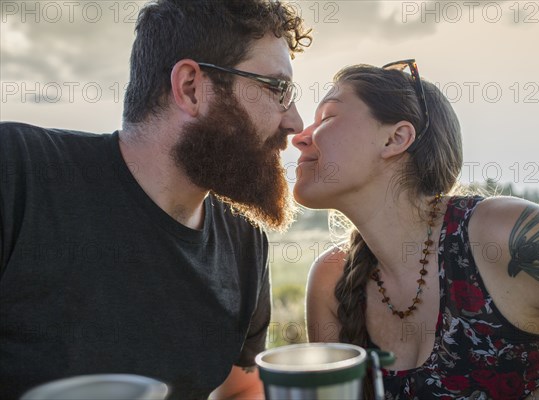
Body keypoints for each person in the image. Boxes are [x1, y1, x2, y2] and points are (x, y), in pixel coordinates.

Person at [0, 1, 311, 399]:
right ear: (190, 88)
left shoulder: (244, 240)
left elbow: (240, 390)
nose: (296, 122)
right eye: (277, 89)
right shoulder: (20, 174)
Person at [293, 61, 539, 399]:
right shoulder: (331, 281)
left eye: (328, 118)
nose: (299, 138)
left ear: (396, 138)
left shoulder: (503, 234)